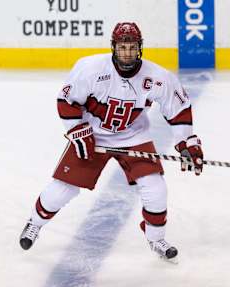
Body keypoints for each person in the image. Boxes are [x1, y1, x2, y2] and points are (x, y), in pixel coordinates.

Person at [19, 22, 204, 261]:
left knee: (156, 188)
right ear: (113, 47)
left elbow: (178, 110)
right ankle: (34, 223)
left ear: (140, 48)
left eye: (132, 47)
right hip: (93, 136)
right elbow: (66, 100)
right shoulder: (91, 68)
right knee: (62, 190)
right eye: (122, 47)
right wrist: (77, 129)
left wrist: (186, 141)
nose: (127, 53)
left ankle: (156, 238)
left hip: (133, 135)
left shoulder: (157, 77)